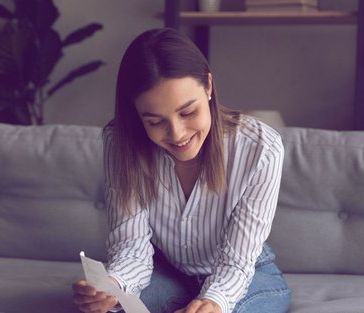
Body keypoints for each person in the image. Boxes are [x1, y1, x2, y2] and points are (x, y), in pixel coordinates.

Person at [72, 28, 290, 313]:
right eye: (154, 121)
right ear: (137, 114)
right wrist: (113, 285)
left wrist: (213, 301)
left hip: (248, 273)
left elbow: (236, 263)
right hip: (168, 272)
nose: (177, 134)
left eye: (188, 112)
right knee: (117, 308)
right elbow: (131, 249)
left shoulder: (260, 148)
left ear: (208, 87)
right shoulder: (121, 144)